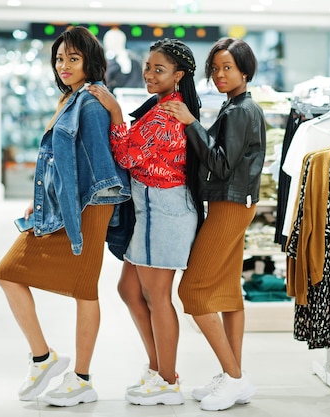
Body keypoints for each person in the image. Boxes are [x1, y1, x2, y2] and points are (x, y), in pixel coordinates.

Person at [0, 26, 130, 407]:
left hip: (91, 206)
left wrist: (81, 209)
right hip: (70, 203)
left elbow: (104, 163)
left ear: (90, 62)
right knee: (9, 272)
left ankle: (82, 379)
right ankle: (45, 358)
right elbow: (63, 164)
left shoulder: (90, 102)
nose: (65, 65)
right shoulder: (70, 99)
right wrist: (43, 201)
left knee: (84, 289)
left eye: (73, 58)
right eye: (59, 59)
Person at [87, 38, 203, 406]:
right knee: (130, 290)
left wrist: (117, 115)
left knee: (158, 296)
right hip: (151, 210)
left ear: (178, 75)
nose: (150, 74)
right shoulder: (162, 106)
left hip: (163, 211)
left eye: (159, 69)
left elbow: (127, 155)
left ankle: (168, 381)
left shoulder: (170, 111)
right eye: (149, 67)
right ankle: (157, 368)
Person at [161, 37, 265, 411]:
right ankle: (233, 375)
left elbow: (220, 164)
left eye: (228, 68)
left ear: (245, 71)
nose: (220, 75)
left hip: (229, 204)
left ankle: (234, 377)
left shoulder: (240, 111)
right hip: (235, 203)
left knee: (194, 291)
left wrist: (190, 122)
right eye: (215, 68)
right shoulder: (237, 107)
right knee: (227, 292)